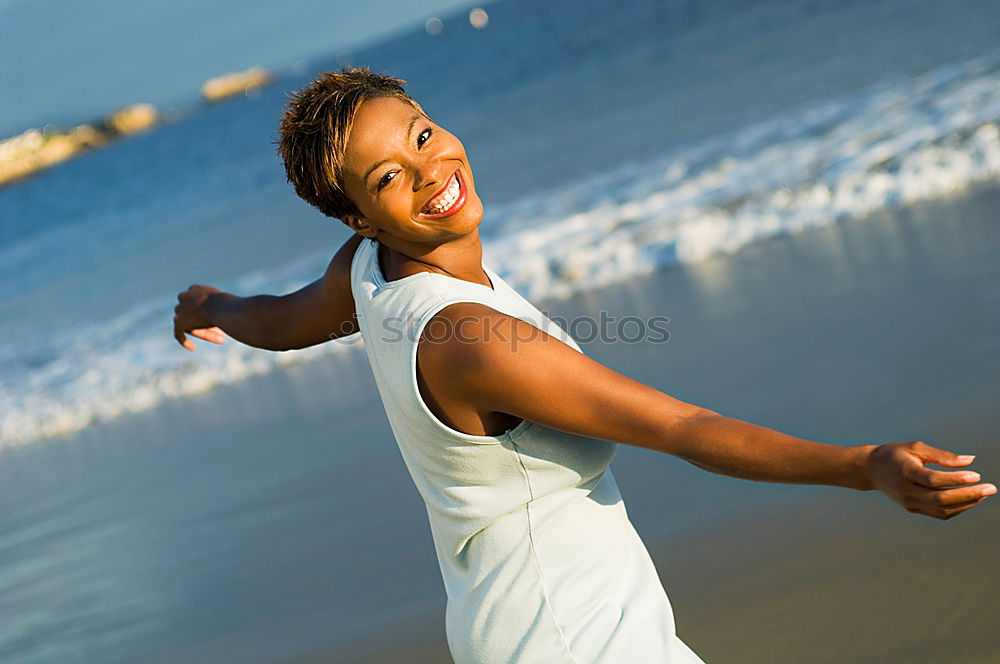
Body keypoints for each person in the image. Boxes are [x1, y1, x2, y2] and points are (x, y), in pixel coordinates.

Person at [172, 67, 994, 663]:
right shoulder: (469, 341)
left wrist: (209, 304)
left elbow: (276, 324)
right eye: (391, 177)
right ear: (359, 214)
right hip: (569, 637)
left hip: (522, 626)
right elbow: (682, 428)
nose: (431, 172)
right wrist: (864, 467)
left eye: (422, 135)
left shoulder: (368, 270)